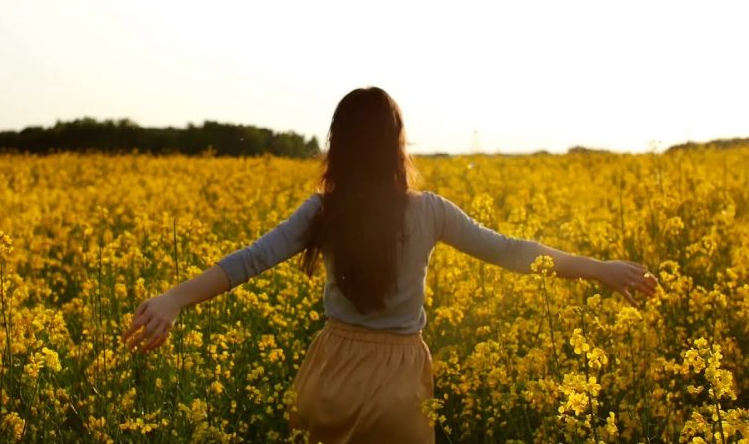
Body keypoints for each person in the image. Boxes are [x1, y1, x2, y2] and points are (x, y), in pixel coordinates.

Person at [122, 86, 658, 443]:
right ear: (398, 146)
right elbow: (513, 252)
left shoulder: (323, 211)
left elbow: (250, 261)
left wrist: (173, 299)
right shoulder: (429, 213)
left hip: (329, 378)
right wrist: (600, 268)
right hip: (397, 391)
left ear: (337, 146)